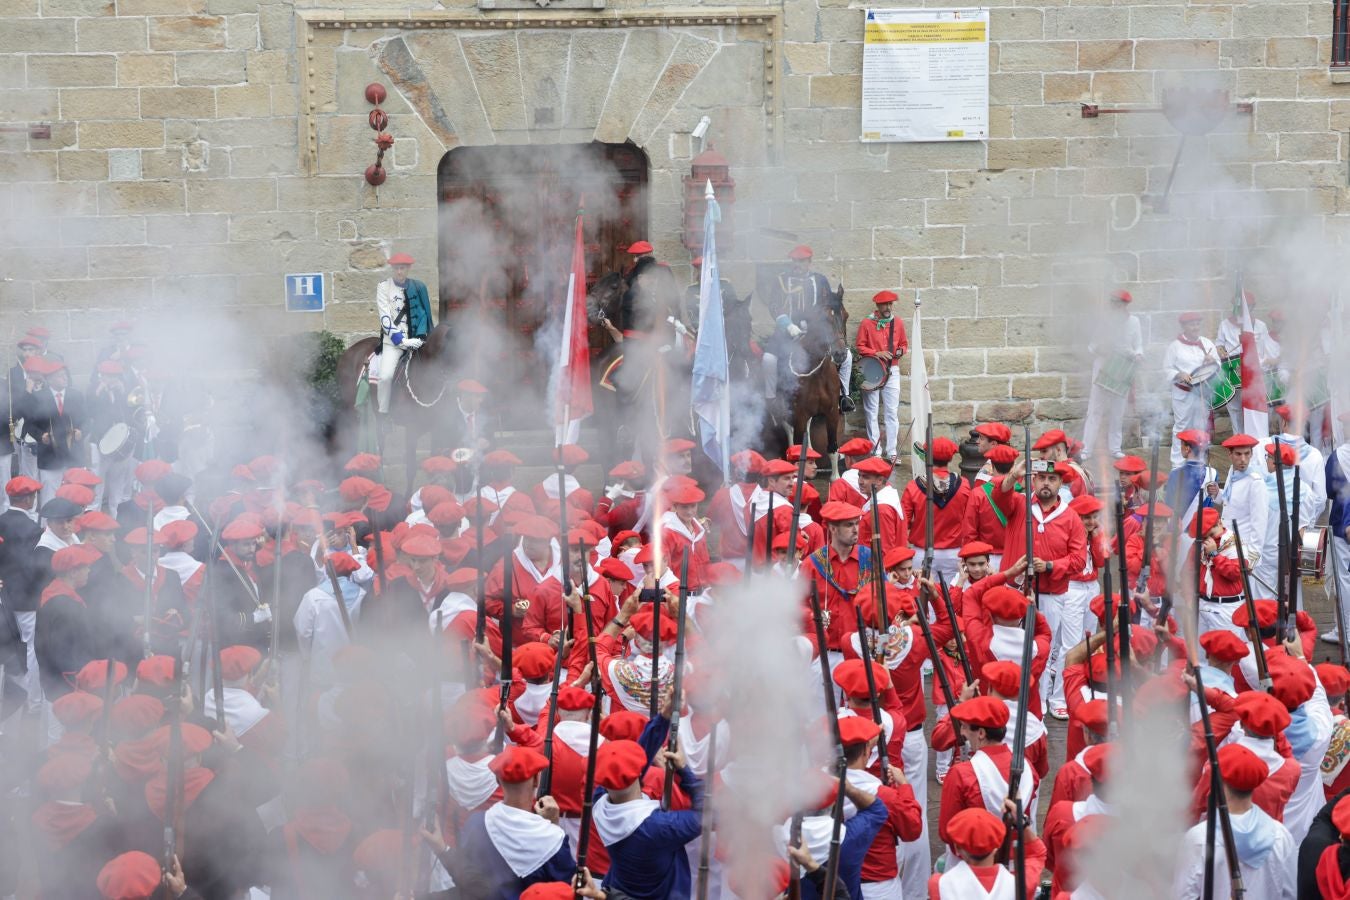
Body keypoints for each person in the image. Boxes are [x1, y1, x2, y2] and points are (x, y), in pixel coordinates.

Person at [1174, 743, 1297, 899]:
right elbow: (1290, 894)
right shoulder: (1282, 836)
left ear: (1219, 783)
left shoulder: (1199, 839)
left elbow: (1183, 895)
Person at [764, 245, 852, 412]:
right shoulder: (781, 280)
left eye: (802, 261)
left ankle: (844, 396)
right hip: (786, 331)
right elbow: (774, 305)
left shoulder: (820, 280)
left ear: (809, 262)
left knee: (847, 356)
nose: (798, 264)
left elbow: (827, 305)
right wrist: (787, 324)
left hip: (815, 331)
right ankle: (771, 399)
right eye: (795, 261)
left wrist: (816, 323)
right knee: (768, 359)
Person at [1081, 288, 1143, 460]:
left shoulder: (1134, 322)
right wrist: (1103, 348)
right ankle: (1086, 449)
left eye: (1120, 304)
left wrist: (1138, 355)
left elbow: (1139, 345)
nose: (1117, 307)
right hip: (1104, 365)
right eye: (1114, 304)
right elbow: (1092, 347)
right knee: (1095, 409)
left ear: (1125, 306)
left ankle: (1115, 448)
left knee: (1118, 410)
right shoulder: (1105, 322)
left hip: (1124, 368)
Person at [373, 252, 433, 414]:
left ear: (408, 269)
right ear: (392, 269)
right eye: (397, 268)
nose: (399, 272)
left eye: (403, 268)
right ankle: (383, 413)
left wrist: (421, 338)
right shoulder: (383, 287)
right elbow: (385, 319)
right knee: (385, 377)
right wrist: (402, 342)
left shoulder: (418, 287)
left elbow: (423, 314)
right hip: (394, 343)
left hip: (416, 341)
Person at [1163, 311, 1221, 468]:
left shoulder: (1207, 344)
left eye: (1197, 324)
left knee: (1201, 426)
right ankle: (1177, 464)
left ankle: (1199, 460)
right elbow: (1166, 369)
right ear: (1184, 326)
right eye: (1191, 324)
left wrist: (1212, 360)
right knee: (1181, 427)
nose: (1195, 327)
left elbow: (1218, 366)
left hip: (1202, 392)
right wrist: (1179, 374)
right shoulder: (1174, 347)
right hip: (1183, 392)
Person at [855, 290, 908, 460]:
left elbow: (904, 344)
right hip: (872, 371)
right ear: (877, 305)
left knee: (891, 412)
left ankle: (891, 452)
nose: (888, 307)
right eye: (885, 304)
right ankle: (875, 452)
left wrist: (900, 351)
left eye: (890, 304)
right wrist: (876, 352)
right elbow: (859, 346)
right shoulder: (866, 323)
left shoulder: (898, 323)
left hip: (892, 370)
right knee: (871, 411)